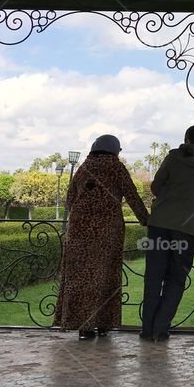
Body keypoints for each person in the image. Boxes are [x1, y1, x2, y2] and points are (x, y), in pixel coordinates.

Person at [54, 134, 149, 340]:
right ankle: (104, 323)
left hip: (79, 230)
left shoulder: (83, 168)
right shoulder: (116, 167)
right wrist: (145, 219)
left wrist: (82, 216)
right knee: (105, 275)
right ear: (114, 149)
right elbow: (132, 195)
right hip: (107, 231)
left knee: (79, 277)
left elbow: (70, 198)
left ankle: (83, 327)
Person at [141, 124, 194, 341]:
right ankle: (160, 328)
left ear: (186, 139)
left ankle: (148, 330)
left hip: (160, 225)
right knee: (176, 279)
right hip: (189, 230)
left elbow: (156, 187)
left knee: (153, 276)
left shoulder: (174, 159)